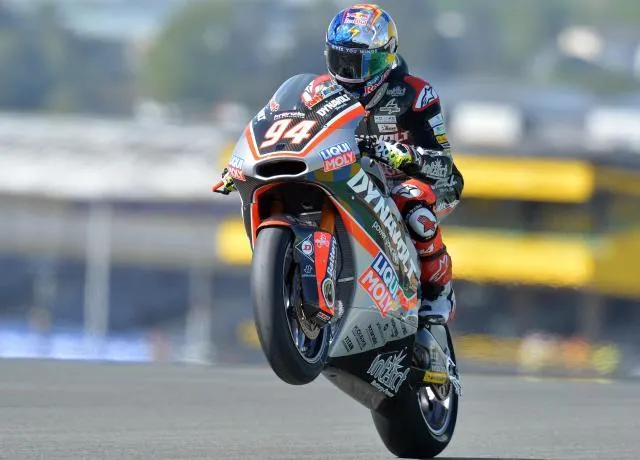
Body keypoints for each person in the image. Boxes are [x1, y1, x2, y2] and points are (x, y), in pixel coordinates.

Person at [219, 3, 463, 325]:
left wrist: (396, 154)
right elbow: (286, 128)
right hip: (351, 172)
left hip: (412, 181)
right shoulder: (317, 90)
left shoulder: (414, 94)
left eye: (363, 63)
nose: (350, 74)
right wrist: (247, 163)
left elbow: (444, 165)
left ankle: (438, 291)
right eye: (342, 61)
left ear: (387, 57)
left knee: (412, 205)